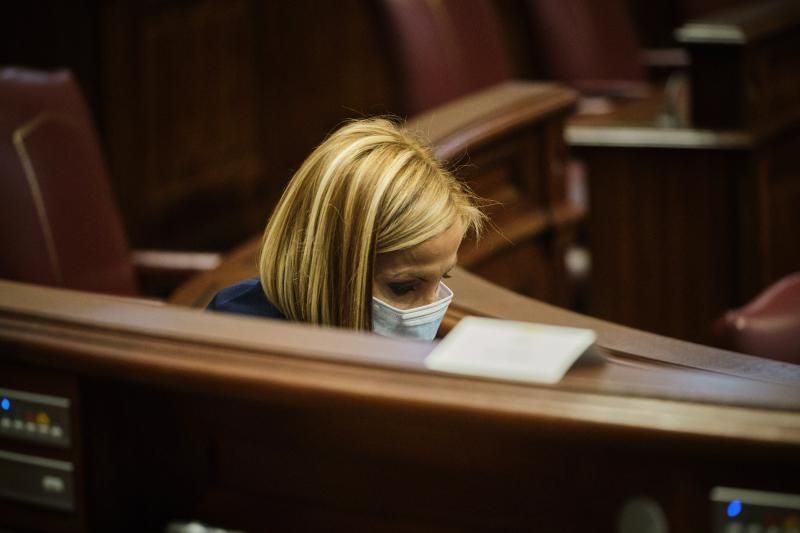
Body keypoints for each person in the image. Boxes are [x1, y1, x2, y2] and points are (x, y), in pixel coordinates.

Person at [207, 117, 485, 340]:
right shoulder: (236, 335)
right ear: (326, 263)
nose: (429, 314)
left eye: (443, 277)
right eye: (404, 288)